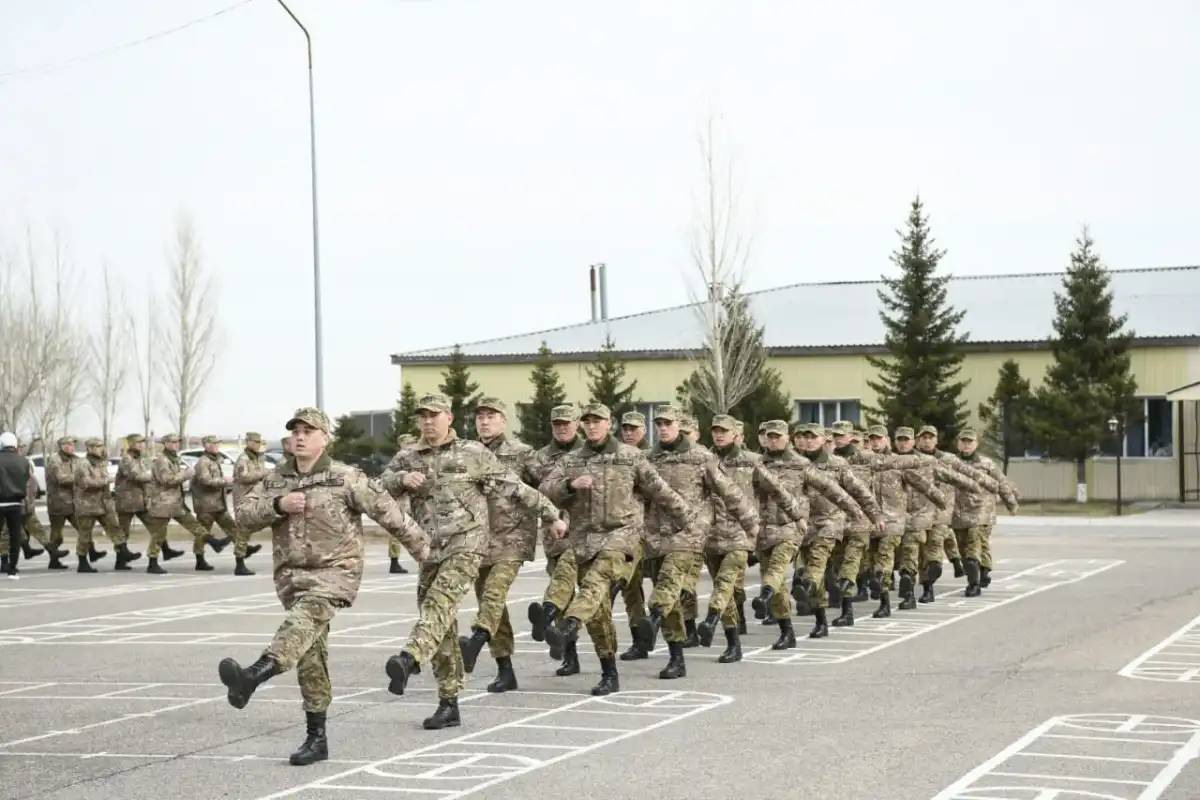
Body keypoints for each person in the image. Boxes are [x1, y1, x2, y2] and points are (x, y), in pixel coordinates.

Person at [221, 407, 428, 766]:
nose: (300, 436)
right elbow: (242, 517)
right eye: (295, 430)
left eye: (308, 430)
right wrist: (278, 505)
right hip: (292, 578)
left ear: (324, 438)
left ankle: (254, 674)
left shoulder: (344, 477)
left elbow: (388, 512)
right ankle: (317, 738)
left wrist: (423, 549)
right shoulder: (275, 480)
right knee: (311, 655)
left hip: (336, 573)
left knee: (301, 623)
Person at [381, 393, 564, 730]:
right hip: (429, 550)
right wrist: (400, 480)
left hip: (468, 545)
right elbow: (377, 491)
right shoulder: (408, 457)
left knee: (438, 604)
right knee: (441, 625)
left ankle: (408, 658)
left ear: (448, 418)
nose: (428, 421)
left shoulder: (473, 453)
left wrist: (552, 516)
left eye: (434, 415)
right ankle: (448, 702)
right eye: (422, 416)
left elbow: (515, 487)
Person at [539, 403, 693, 695]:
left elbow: (660, 491)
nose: (592, 426)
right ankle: (609, 671)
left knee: (598, 580)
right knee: (599, 613)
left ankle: (569, 624)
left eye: (598, 421)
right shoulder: (572, 460)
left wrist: (686, 520)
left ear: (609, 423)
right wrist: (570, 485)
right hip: (584, 540)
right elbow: (545, 491)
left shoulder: (629, 457)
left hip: (624, 536)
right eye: (587, 421)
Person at [630, 406, 756, 680]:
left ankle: (651, 619)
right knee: (673, 598)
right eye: (659, 423)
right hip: (656, 538)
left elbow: (729, 491)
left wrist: (752, 525)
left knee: (669, 582)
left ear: (679, 425)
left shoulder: (700, 457)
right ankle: (679, 656)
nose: (662, 428)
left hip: (690, 535)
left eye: (668, 423)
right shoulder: (648, 459)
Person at [459, 398, 556, 694]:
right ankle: (505, 669)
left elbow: (549, 484)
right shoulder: (466, 453)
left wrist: (555, 514)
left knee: (494, 592)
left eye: (491, 416)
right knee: (492, 605)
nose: (484, 422)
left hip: (513, 538)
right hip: (478, 539)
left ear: (504, 420)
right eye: (480, 417)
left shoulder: (522, 453)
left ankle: (476, 639)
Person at [526, 405, 583, 675]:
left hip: (588, 534)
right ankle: (568, 653)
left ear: (577, 424)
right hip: (556, 535)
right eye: (556, 423)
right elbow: (529, 492)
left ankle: (551, 620)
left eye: (567, 423)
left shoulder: (591, 453)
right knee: (566, 594)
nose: (562, 427)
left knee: (586, 596)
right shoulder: (539, 459)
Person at [144, 434, 211, 574]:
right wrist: (185, 474)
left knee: (194, 524)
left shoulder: (173, 458)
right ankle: (152, 562)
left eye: (177, 442)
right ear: (166, 443)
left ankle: (214, 542)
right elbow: (167, 480)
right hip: (163, 503)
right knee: (159, 534)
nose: (176, 444)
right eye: (173, 442)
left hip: (175, 502)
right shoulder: (162, 460)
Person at [74, 438, 140, 572]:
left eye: (101, 446)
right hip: (87, 505)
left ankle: (123, 552)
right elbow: (86, 483)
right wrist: (106, 480)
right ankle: (82, 562)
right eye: (97, 447)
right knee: (85, 534)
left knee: (115, 528)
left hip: (104, 503)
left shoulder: (101, 463)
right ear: (90, 448)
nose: (101, 449)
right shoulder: (83, 464)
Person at [191, 436, 237, 572]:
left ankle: (243, 550)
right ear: (206, 445)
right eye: (214, 443)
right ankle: (199, 560)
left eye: (218, 443)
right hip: (206, 505)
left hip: (218, 504)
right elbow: (206, 480)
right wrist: (225, 481)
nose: (217, 446)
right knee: (203, 533)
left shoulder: (214, 460)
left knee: (233, 527)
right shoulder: (203, 462)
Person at [45, 436, 88, 568]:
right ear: (62, 446)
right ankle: (54, 560)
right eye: (68, 444)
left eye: (73, 444)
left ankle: (88, 555)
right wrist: (80, 478)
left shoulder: (75, 459)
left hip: (74, 503)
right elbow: (61, 479)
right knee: (57, 535)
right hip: (58, 503)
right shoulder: (54, 460)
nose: (72, 447)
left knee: (83, 529)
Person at [231, 433, 269, 576]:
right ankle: (239, 563)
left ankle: (244, 552)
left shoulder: (258, 457)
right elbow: (244, 477)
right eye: (256, 441)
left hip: (256, 496)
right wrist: (263, 473)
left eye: (260, 441)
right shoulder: (243, 459)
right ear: (248, 442)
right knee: (243, 529)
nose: (259, 444)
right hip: (243, 497)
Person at [116, 434, 155, 563]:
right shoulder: (126, 459)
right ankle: (120, 560)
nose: (141, 445)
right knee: (123, 532)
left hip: (139, 501)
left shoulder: (138, 459)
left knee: (155, 527)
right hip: (127, 501)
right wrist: (152, 476)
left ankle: (161, 553)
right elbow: (135, 476)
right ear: (131, 444)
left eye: (142, 443)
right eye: (138, 443)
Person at [385, 433, 418, 574]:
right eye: (410, 442)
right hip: (400, 500)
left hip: (405, 499)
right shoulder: (403, 457)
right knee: (399, 531)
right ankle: (395, 563)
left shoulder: (404, 457)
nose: (412, 445)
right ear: (403, 444)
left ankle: (395, 562)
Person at [0, 432, 29, 579]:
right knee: (14, 537)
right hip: (16, 503)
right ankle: (12, 569)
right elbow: (26, 478)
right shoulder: (23, 461)